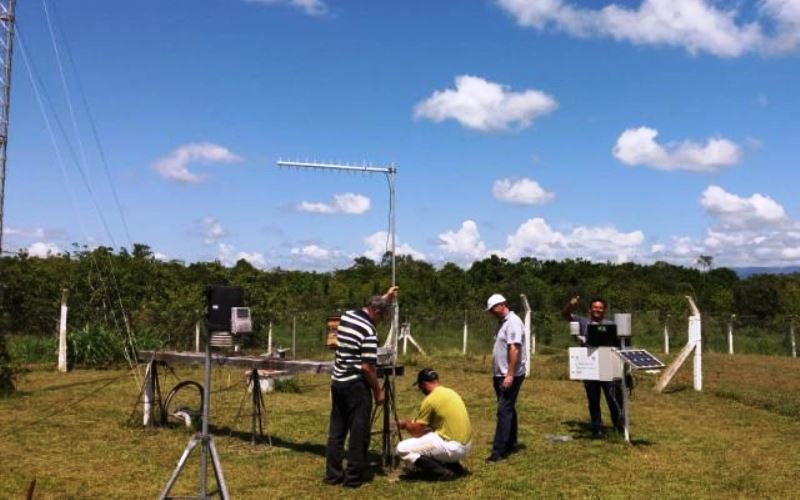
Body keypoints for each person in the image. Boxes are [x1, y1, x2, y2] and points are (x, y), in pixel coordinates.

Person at [325, 285, 398, 488]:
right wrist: (378, 391)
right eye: (381, 317)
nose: (380, 321)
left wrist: (386, 297)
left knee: (337, 431)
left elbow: (371, 307)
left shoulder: (347, 316)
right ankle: (353, 478)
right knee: (358, 433)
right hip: (356, 386)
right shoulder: (368, 331)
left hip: (337, 381)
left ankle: (332, 475)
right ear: (376, 312)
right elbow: (367, 368)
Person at [561, 295, 623, 437]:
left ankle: (619, 427)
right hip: (589, 365)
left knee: (612, 397)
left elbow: (619, 343)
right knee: (593, 399)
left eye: (600, 308)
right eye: (595, 307)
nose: (598, 310)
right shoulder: (582, 322)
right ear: (590, 309)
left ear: (604, 311)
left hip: (607, 364)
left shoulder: (611, 325)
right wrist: (571, 304)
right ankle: (597, 427)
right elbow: (565, 314)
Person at [396, 368, 472, 481]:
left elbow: (417, 431)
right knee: (429, 435)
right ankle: (455, 467)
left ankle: (442, 473)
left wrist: (406, 424)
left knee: (402, 448)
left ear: (424, 384)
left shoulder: (430, 400)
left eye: (420, 386)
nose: (420, 390)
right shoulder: (451, 392)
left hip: (452, 447)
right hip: (467, 446)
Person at [485, 293, 527, 462]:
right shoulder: (502, 323)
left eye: (493, 309)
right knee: (508, 408)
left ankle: (499, 451)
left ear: (503, 305)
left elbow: (514, 348)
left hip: (509, 375)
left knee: (504, 410)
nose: (491, 312)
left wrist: (510, 374)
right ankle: (511, 441)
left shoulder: (513, 322)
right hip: (500, 373)